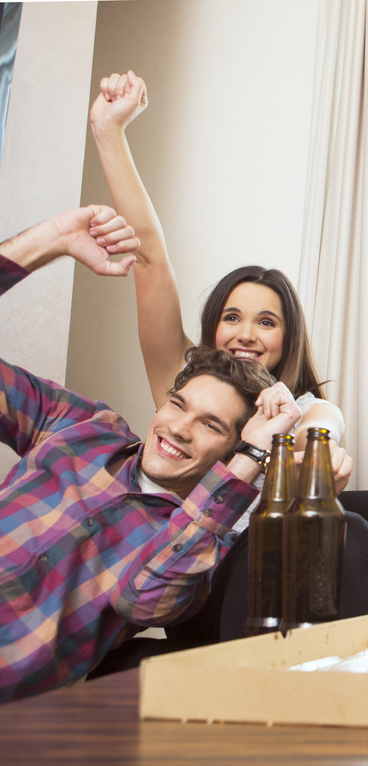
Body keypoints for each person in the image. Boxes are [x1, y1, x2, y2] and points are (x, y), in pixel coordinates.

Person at [89, 70, 368, 638]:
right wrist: (109, 132)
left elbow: (322, 430)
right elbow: (150, 259)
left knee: (350, 530)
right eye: (232, 317)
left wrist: (302, 442)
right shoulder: (186, 384)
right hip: (190, 584)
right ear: (211, 329)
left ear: (288, 340)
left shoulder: (305, 408)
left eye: (266, 322)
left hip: (269, 577)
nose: (246, 333)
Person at [0, 206, 302, 700]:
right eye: (178, 405)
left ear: (231, 451)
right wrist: (48, 240)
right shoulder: (83, 428)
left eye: (209, 425)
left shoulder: (195, 542)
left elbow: (145, 601)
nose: (178, 428)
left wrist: (253, 453)